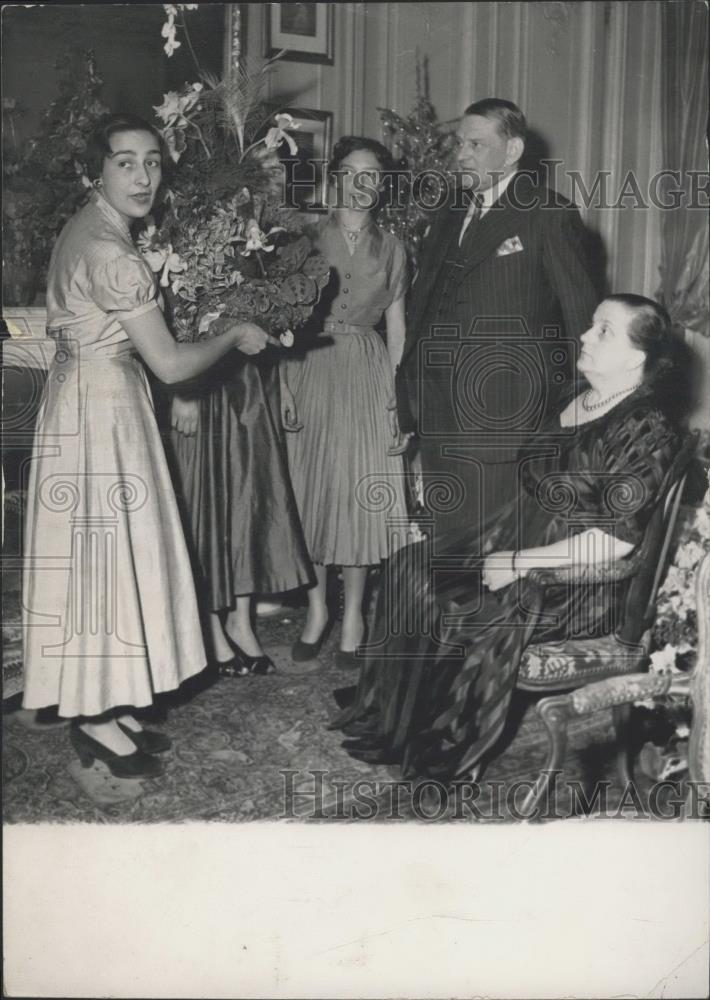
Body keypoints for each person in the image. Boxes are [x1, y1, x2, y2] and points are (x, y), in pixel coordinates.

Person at [332, 294, 686, 782]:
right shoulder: (575, 395)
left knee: (462, 607)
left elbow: (616, 542)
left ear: (636, 356)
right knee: (409, 565)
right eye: (591, 324)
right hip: (515, 532)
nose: (584, 335)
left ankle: (446, 745)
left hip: (574, 580)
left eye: (603, 331)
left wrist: (519, 562)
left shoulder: (648, 427)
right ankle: (393, 711)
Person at [21, 113, 277, 777]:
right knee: (102, 556)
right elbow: (171, 365)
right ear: (95, 171)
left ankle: (108, 699)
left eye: (153, 161)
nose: (143, 176)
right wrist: (234, 334)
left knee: (106, 551)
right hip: (101, 408)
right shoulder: (113, 253)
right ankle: (95, 716)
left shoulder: (92, 227)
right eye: (125, 161)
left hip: (92, 395)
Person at [396, 97, 599, 541]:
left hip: (505, 412)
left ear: (512, 151)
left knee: (495, 540)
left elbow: (580, 317)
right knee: (447, 536)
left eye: (476, 144)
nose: (462, 154)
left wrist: (575, 405)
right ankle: (450, 609)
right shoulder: (449, 213)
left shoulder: (548, 212)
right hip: (438, 408)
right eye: (459, 144)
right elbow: (424, 305)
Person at [282, 136, 409, 666]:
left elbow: (398, 326)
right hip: (310, 364)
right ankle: (318, 610)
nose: (363, 184)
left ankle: (353, 614)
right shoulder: (303, 239)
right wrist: (285, 385)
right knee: (311, 491)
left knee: (360, 495)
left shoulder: (395, 248)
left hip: (366, 368)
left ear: (382, 185)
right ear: (335, 177)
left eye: (373, 175)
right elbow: (283, 320)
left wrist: (397, 397)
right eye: (353, 173)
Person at [168, 316, 314, 677]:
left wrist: (281, 383)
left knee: (249, 495)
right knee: (200, 502)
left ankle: (241, 622)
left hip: (247, 381)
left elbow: (260, 313)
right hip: (196, 382)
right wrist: (182, 391)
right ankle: (211, 626)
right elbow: (169, 321)